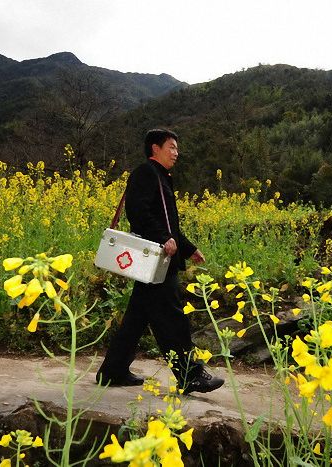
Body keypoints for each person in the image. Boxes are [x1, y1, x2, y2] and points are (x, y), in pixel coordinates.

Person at [96, 129, 224, 395]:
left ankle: (112, 371)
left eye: (177, 148)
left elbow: (170, 225)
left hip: (160, 261)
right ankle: (191, 375)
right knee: (173, 318)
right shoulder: (146, 173)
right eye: (172, 147)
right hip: (154, 261)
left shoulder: (162, 177)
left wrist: (188, 249)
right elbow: (137, 211)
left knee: (137, 318)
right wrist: (163, 237)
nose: (176, 153)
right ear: (155, 148)